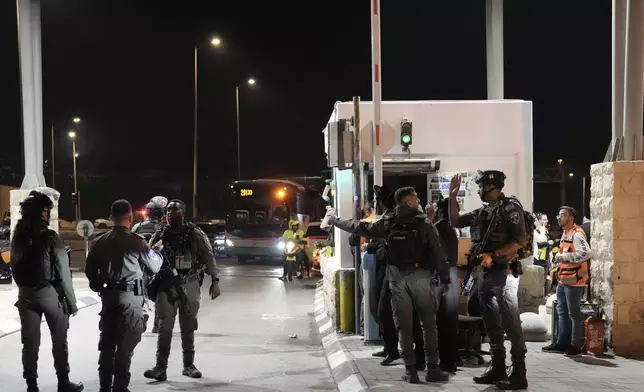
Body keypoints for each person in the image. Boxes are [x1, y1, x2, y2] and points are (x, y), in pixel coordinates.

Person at [326, 187, 451, 384]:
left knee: (404, 326)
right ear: (407, 202)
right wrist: (445, 280)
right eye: (416, 197)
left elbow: (359, 227)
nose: (418, 200)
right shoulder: (424, 223)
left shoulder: (388, 223)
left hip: (396, 279)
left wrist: (335, 220)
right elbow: (439, 253)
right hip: (421, 277)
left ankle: (410, 371)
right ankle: (432, 369)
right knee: (428, 325)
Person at [448, 170, 528, 390]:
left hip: (505, 273)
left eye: (484, 187)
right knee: (491, 323)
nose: (481, 191)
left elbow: (520, 240)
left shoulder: (511, 208)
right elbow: (455, 220)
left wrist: (493, 255)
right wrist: (452, 196)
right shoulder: (483, 212)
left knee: (511, 323)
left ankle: (519, 372)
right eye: (480, 187)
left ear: (495, 187)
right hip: (486, 274)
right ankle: (498, 367)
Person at [85, 199, 163, 392]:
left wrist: (98, 287)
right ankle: (120, 386)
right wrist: (157, 253)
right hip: (130, 298)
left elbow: (90, 270)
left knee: (107, 344)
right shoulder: (136, 241)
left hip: (108, 296)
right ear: (130, 217)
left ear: (111, 217)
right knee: (127, 342)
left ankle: (105, 387)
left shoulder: (98, 241)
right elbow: (153, 267)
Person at [10, 191, 84, 392]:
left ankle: (31, 385)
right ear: (43, 213)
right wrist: (72, 302)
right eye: (48, 211)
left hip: (25, 295)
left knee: (30, 343)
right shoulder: (50, 236)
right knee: (59, 339)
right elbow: (63, 272)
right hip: (48, 293)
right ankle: (63, 382)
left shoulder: (17, 237)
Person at [144, 199, 220, 381]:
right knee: (164, 329)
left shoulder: (195, 234)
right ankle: (160, 367)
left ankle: (188, 365)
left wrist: (215, 280)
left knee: (188, 327)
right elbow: (148, 259)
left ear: (183, 213)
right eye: (168, 210)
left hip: (190, 283)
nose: (169, 213)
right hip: (166, 286)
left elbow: (208, 256)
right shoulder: (160, 234)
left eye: (174, 210)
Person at [542, 206, 591, 357]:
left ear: (571, 218)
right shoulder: (566, 233)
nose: (559, 217)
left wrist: (563, 258)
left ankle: (575, 345)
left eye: (562, 215)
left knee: (574, 314)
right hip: (564, 280)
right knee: (562, 312)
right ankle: (562, 343)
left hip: (574, 281)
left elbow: (586, 253)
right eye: (558, 214)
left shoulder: (577, 234)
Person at [431, 197, 460, 372]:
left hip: (444, 276)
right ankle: (451, 359)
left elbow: (439, 254)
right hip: (451, 274)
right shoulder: (448, 229)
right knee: (449, 319)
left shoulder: (440, 228)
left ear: (440, 211)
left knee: (443, 319)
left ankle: (447, 361)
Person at [131, 196, 167, 334]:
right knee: (161, 295)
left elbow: (130, 246)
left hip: (141, 267)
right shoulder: (165, 229)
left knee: (141, 292)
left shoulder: (137, 227)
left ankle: (143, 311)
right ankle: (157, 325)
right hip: (160, 265)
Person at [533, 213, 553, 296]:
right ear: (539, 220)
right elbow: (537, 244)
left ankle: (543, 294)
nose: (546, 221)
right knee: (539, 278)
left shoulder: (545, 230)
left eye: (546, 219)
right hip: (539, 257)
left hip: (546, 257)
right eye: (544, 219)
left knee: (544, 276)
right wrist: (547, 243)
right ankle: (538, 294)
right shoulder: (536, 231)